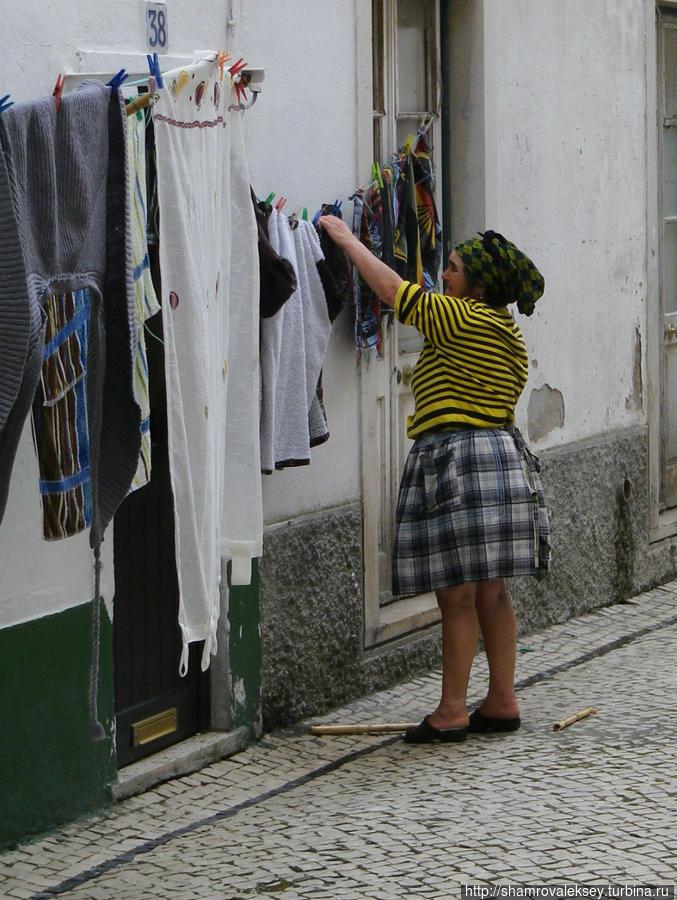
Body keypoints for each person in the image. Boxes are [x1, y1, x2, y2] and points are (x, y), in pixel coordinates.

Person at [318, 214, 550, 743]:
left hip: (457, 458)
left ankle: (451, 712)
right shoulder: (507, 333)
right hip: (499, 454)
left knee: (457, 596)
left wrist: (348, 240)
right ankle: (501, 700)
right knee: (491, 590)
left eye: (452, 268)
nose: (443, 274)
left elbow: (397, 292)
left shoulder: (462, 318)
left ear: (480, 284)